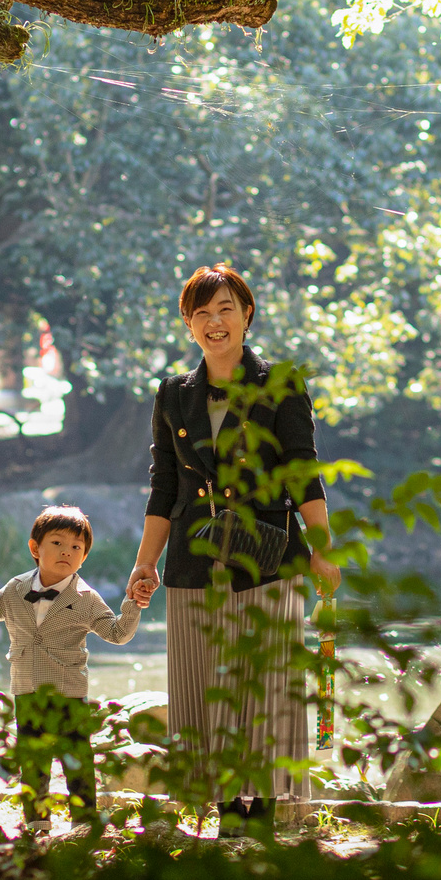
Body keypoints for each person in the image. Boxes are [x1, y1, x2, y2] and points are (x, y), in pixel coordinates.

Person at [126, 264, 342, 835]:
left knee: (268, 682)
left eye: (226, 309)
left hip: (268, 556)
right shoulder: (173, 394)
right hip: (194, 559)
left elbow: (303, 472)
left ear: (247, 315)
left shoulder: (281, 384)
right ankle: (226, 814)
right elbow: (164, 487)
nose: (214, 322)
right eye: (202, 313)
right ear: (188, 324)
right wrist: (145, 562)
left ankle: (263, 816)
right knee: (201, 681)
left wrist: (322, 549)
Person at [0, 505, 145, 830]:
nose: (66, 551)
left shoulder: (86, 598)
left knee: (77, 762)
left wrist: (133, 604)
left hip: (68, 693)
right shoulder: (15, 588)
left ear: (84, 557)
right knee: (33, 761)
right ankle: (37, 824)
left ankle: (83, 824)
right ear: (35, 548)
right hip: (27, 689)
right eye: (57, 543)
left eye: (76, 547)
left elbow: (116, 633)